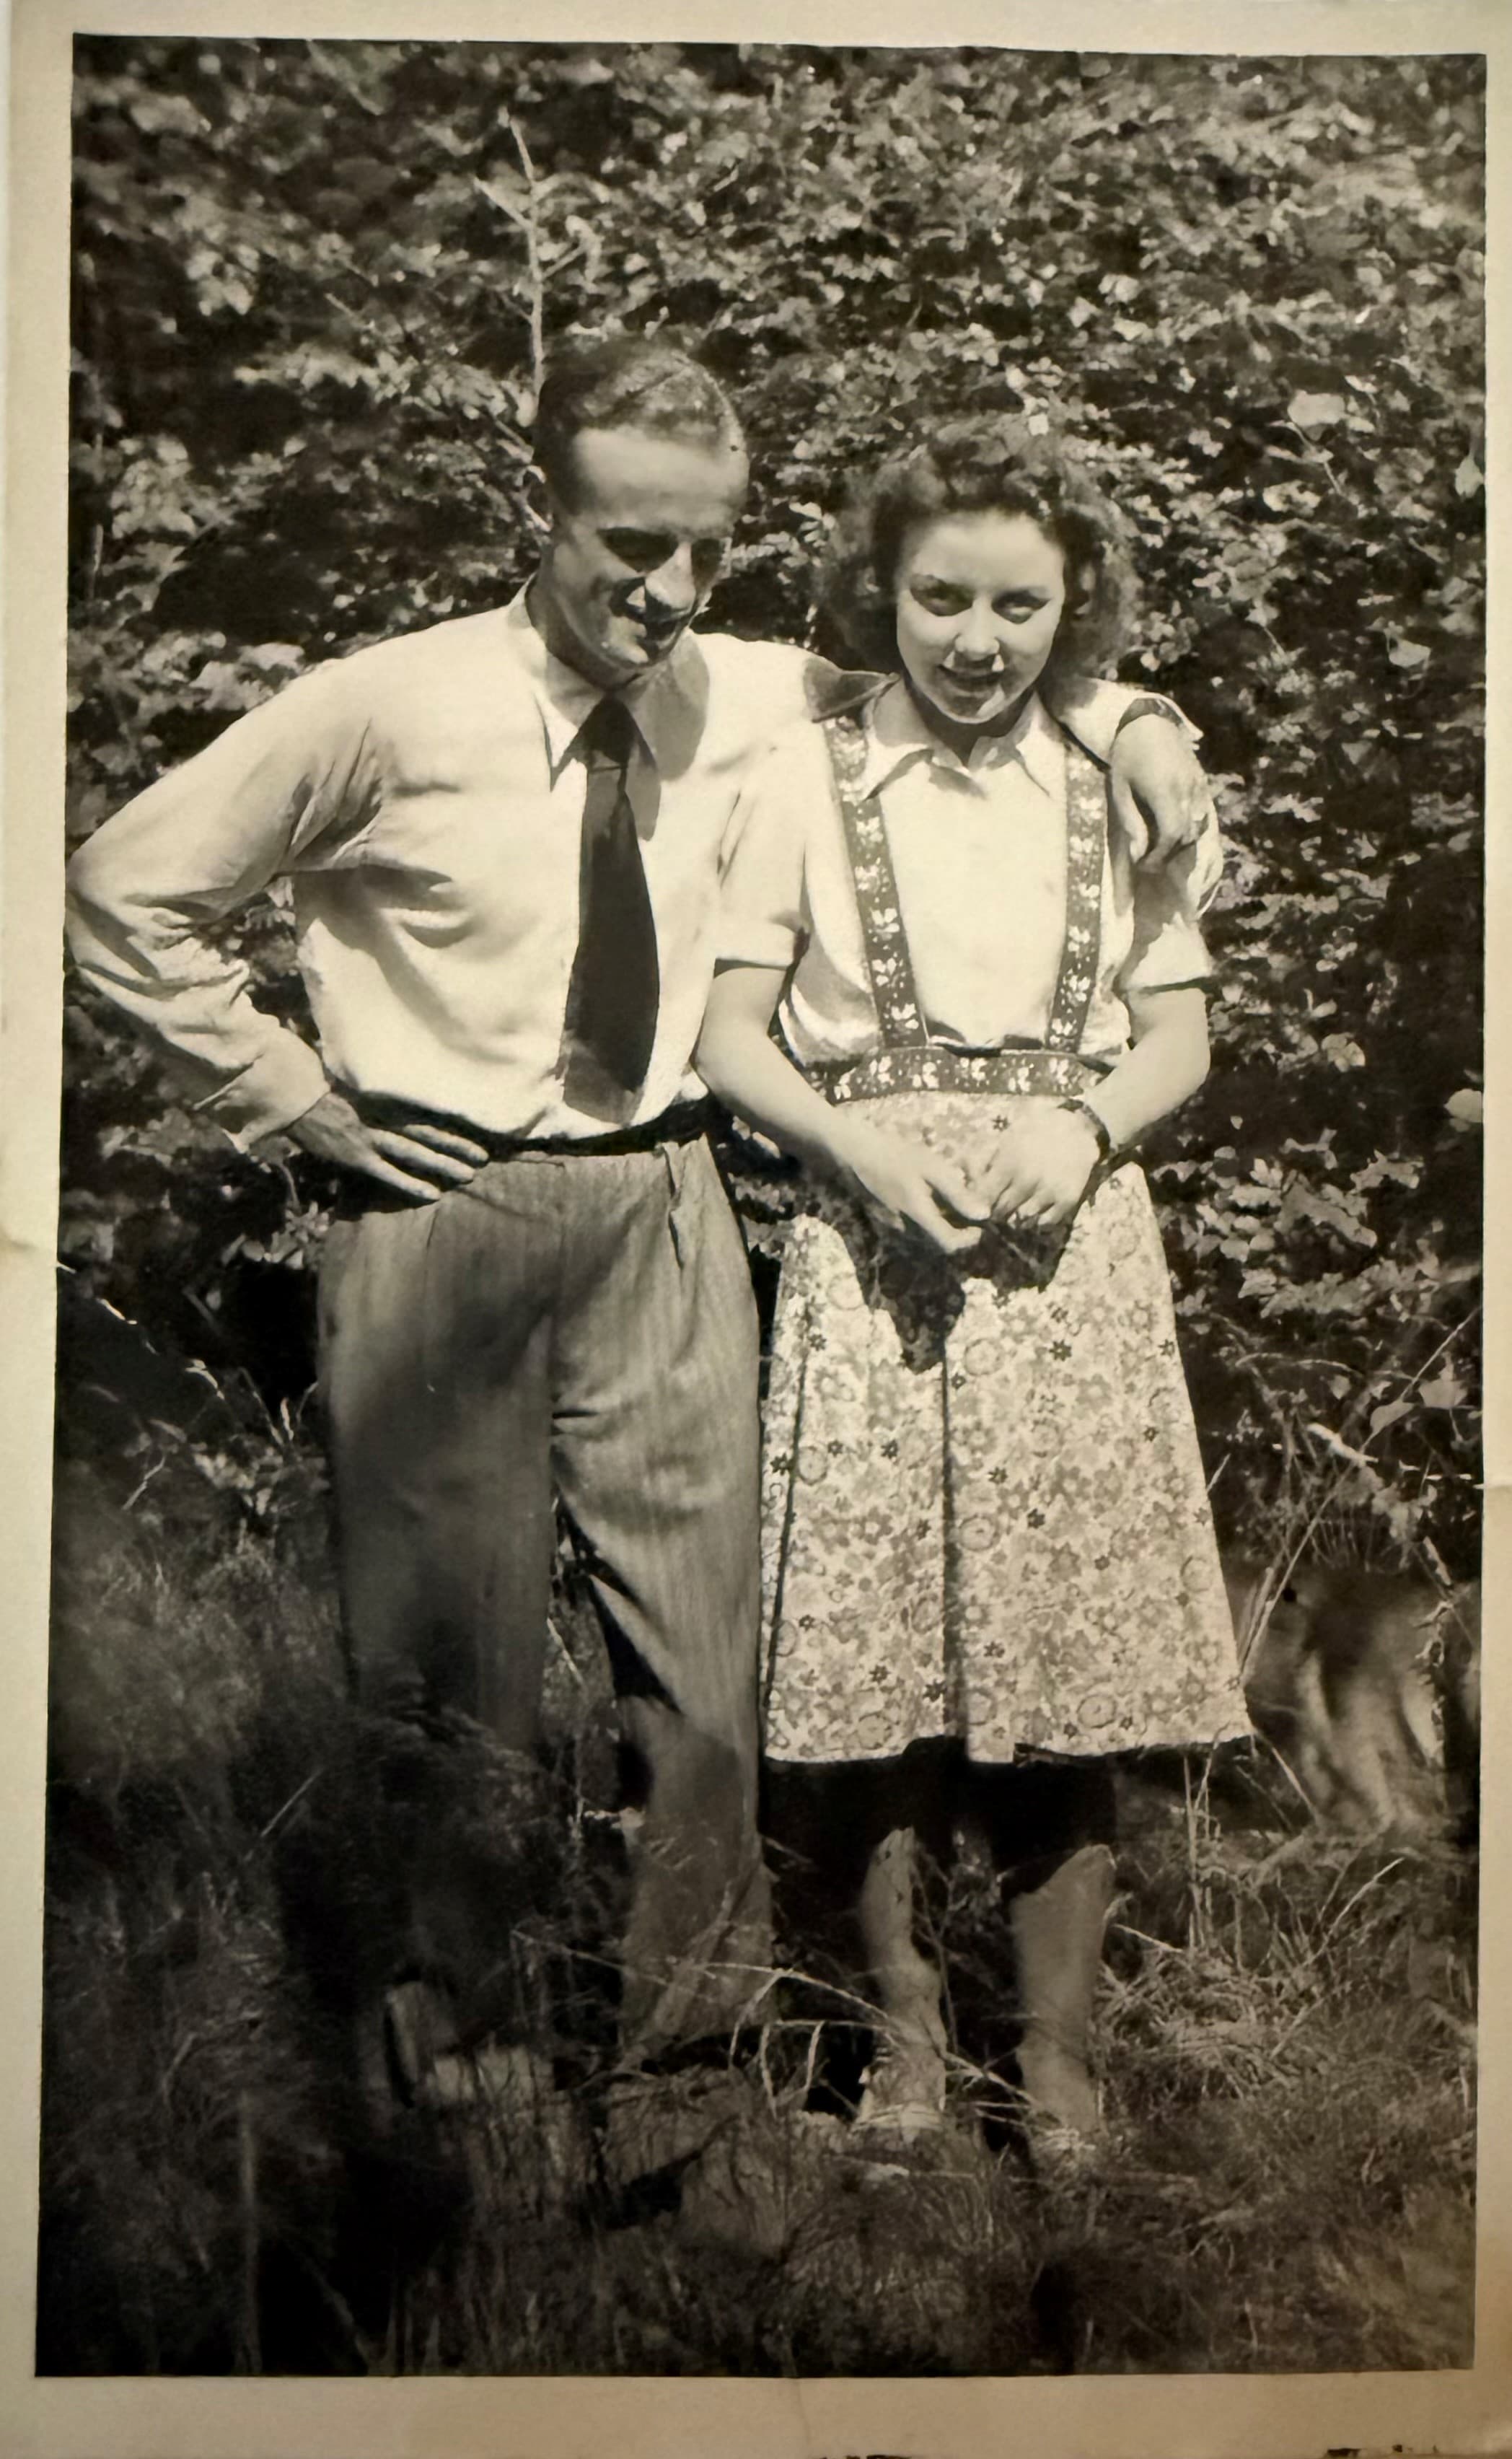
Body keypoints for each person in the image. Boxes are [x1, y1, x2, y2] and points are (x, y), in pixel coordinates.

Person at [66, 338, 1218, 2108]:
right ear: (543, 508)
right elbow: (120, 892)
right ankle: (463, 2059)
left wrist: (1143, 721)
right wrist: (291, 1098)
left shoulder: (752, 692)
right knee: (445, 1673)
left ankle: (692, 2066)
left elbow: (984, 666)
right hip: (438, 1201)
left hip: (666, 1197)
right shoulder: (385, 708)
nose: (668, 590)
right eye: (629, 545)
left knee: (708, 1674)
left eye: (705, 550)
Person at [697, 412, 1249, 2152]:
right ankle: (904, 2044)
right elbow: (731, 1036)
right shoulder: (807, 774)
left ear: (1075, 610)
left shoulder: (1115, 777)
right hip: (872, 1256)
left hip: (1068, 1258)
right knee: (866, 1674)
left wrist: (1082, 1130)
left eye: (1020, 606)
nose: (976, 641)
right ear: (883, 590)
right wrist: (853, 1150)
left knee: (1062, 1674)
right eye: (940, 598)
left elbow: (1178, 1035)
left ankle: (1058, 2055)